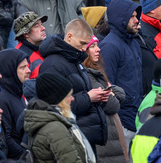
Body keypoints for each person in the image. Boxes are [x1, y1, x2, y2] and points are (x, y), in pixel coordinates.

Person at [38, 18, 109, 148]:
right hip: (70, 140)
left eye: (86, 44)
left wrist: (98, 98)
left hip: (83, 136)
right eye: (82, 43)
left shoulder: (75, 60)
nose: (84, 49)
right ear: (69, 36)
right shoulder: (53, 64)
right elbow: (53, 107)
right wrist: (88, 98)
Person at [26, 73, 99, 163]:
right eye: (69, 95)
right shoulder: (55, 128)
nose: (73, 98)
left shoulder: (60, 122)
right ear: (58, 100)